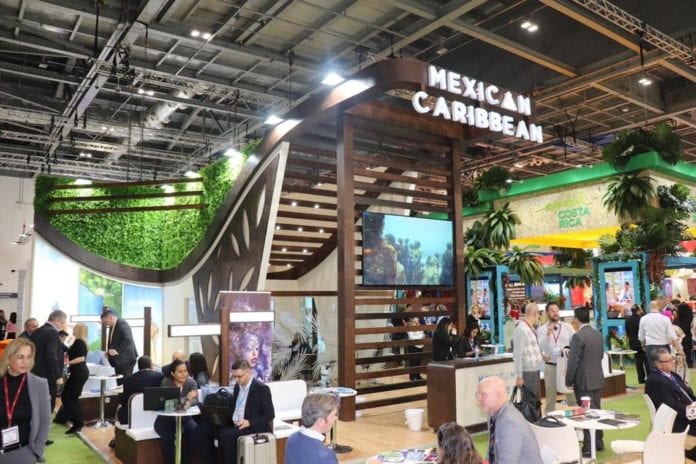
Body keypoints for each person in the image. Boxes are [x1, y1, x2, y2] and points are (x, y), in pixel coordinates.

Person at [195, 360, 275, 464]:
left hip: (250, 426)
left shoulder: (261, 389)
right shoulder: (238, 387)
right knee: (202, 429)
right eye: (234, 377)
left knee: (226, 435)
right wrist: (222, 417)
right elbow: (233, 408)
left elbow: (270, 414)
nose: (237, 380)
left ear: (249, 372)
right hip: (234, 423)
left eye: (239, 376)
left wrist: (249, 422)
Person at [0, 338, 51, 464]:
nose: (25, 362)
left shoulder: (39, 384)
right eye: (20, 357)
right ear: (9, 358)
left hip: (23, 454)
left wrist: (37, 450)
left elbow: (45, 420)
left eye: (29, 357)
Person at [565, 306, 605, 457]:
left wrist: (569, 380)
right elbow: (601, 355)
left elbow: (573, 361)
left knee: (586, 412)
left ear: (576, 319)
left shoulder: (578, 337)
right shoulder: (597, 334)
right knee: (597, 410)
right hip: (597, 378)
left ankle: (589, 446)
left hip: (583, 381)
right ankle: (599, 441)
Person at [476, 376, 542, 464]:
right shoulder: (493, 415)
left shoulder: (510, 422)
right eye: (477, 395)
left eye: (483, 394)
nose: (479, 399)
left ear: (498, 395)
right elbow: (491, 452)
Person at [645, 348, 696, 460]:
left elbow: (689, 393)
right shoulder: (655, 381)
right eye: (668, 361)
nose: (673, 362)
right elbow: (671, 405)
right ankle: (690, 455)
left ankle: (691, 454)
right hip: (676, 418)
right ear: (658, 365)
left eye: (672, 359)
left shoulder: (672, 375)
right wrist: (690, 409)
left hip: (688, 410)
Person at [153, 359, 198, 464]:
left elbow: (196, 400)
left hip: (185, 419)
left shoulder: (191, 382)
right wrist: (187, 399)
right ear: (173, 373)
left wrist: (190, 403)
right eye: (180, 372)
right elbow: (168, 403)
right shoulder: (166, 382)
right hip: (166, 420)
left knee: (195, 432)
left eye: (185, 371)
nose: (184, 374)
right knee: (168, 439)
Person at [536, 302, 575, 414]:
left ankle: (576, 419)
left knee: (572, 397)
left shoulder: (568, 327)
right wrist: (548, 334)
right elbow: (539, 346)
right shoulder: (541, 330)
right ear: (547, 313)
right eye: (552, 311)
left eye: (557, 310)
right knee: (550, 398)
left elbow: (575, 344)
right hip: (551, 366)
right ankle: (549, 420)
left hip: (566, 367)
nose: (555, 313)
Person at [284, 393, 338, 464]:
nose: (336, 418)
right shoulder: (325, 456)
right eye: (334, 415)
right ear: (321, 421)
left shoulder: (291, 439)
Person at [55, 323, 89, 433]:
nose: (73, 329)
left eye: (75, 328)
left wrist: (67, 363)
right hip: (77, 372)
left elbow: (81, 358)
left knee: (69, 398)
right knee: (68, 397)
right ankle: (77, 420)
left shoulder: (80, 342)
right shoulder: (77, 342)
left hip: (79, 373)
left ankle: (78, 422)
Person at [31, 309, 66, 411]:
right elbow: (51, 354)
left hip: (36, 372)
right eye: (62, 322)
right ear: (56, 320)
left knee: (37, 405)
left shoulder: (37, 331)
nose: (62, 325)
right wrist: (58, 375)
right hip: (49, 375)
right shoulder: (52, 332)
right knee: (48, 406)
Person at [118, 356, 164, 425]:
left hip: (130, 417)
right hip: (153, 416)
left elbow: (123, 401)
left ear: (139, 366)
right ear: (151, 365)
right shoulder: (160, 377)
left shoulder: (128, 380)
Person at [512, 302, 542, 398]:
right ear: (535, 313)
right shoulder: (521, 330)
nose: (539, 316)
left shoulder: (530, 328)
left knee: (535, 401)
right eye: (539, 313)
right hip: (528, 372)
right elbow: (517, 354)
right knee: (529, 402)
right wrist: (519, 376)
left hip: (535, 370)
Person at [639, 300, 677, 370]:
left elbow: (641, 336)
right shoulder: (665, 319)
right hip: (663, 346)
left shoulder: (643, 319)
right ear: (659, 307)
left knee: (653, 368)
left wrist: (643, 345)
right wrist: (679, 348)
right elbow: (672, 335)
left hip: (650, 346)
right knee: (665, 368)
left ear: (649, 307)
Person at [101, 308, 138, 381]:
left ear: (110, 318)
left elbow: (128, 339)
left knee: (125, 382)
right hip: (118, 361)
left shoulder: (122, 324)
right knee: (119, 382)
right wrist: (108, 352)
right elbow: (113, 342)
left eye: (105, 321)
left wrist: (117, 351)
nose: (105, 324)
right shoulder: (112, 326)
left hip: (126, 360)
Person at [625, 304, 650, 384]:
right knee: (646, 361)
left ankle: (641, 379)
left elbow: (627, 332)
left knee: (638, 361)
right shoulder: (642, 319)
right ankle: (649, 378)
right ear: (638, 311)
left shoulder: (628, 319)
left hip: (633, 343)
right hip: (643, 342)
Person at [676, 302, 694, 368]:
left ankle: (681, 364)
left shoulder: (677, 320)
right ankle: (689, 363)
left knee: (680, 349)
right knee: (688, 350)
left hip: (679, 337)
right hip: (688, 335)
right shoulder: (691, 318)